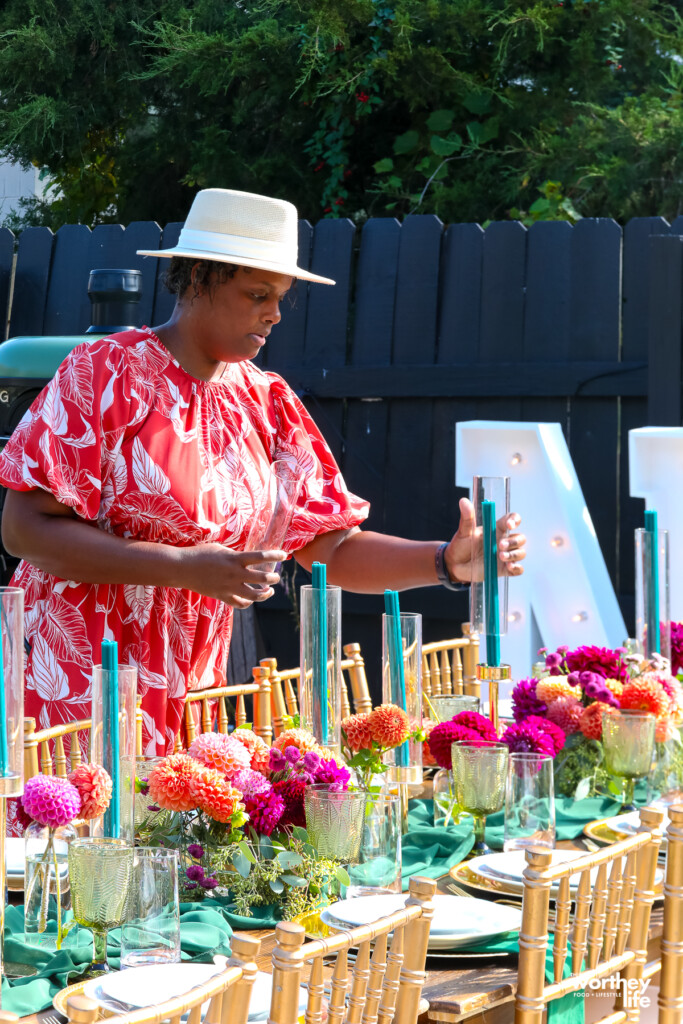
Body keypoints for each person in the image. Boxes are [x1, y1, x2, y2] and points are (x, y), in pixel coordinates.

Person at [0, 187, 526, 761]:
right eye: (257, 295)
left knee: (167, 844)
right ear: (198, 279)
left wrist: (444, 562)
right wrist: (182, 567)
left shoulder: (265, 400)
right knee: (67, 845)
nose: (274, 314)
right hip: (72, 681)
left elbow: (331, 547)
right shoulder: (105, 373)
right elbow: (24, 529)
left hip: (191, 689)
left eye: (280, 298)